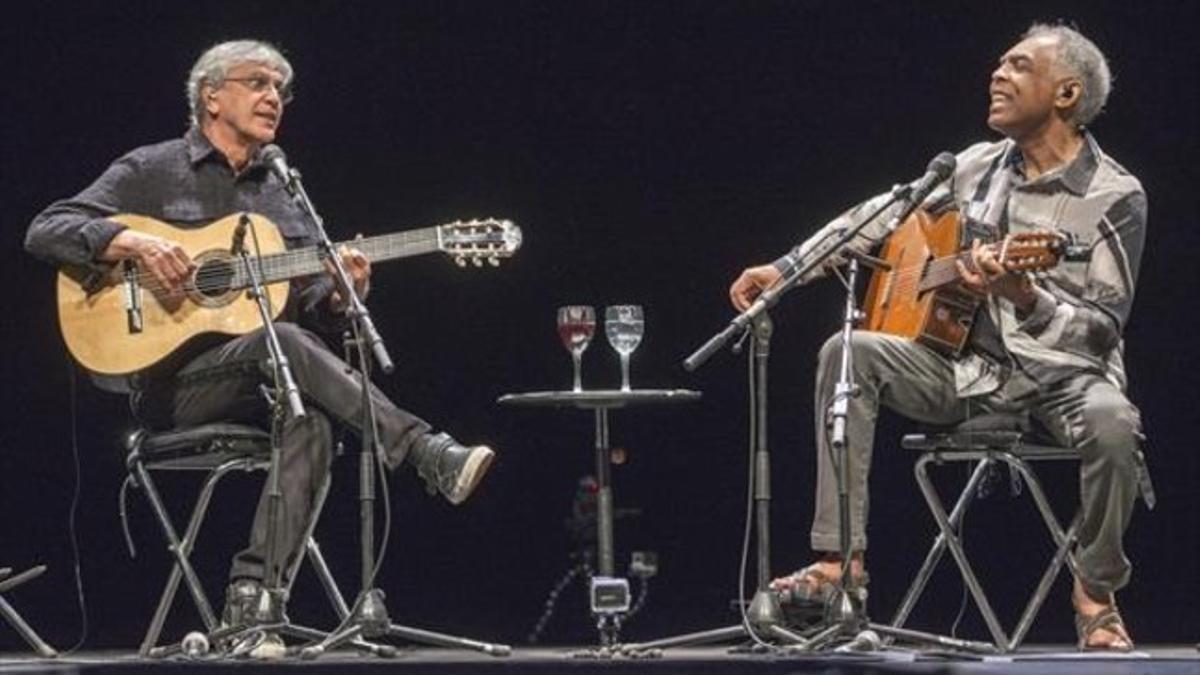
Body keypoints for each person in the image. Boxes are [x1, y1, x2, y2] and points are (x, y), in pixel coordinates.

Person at [25, 40, 496, 644]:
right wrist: (133, 243)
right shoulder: (152, 168)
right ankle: (426, 452)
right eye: (258, 83)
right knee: (296, 354)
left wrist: (337, 293)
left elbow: (297, 312)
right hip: (170, 386)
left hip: (260, 378)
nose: (274, 97)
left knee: (313, 416)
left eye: (281, 89)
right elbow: (46, 230)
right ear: (211, 96)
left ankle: (252, 601)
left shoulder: (281, 190)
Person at [729, 24, 1149, 651]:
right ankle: (841, 565)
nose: (997, 74)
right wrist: (787, 270)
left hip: (1066, 383)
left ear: (1066, 92)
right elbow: (872, 219)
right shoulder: (973, 166)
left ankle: (1095, 588)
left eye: (1018, 65)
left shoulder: (1115, 195)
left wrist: (1025, 296)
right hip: (969, 373)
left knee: (1115, 423)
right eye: (999, 63)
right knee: (848, 350)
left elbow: (1100, 332)